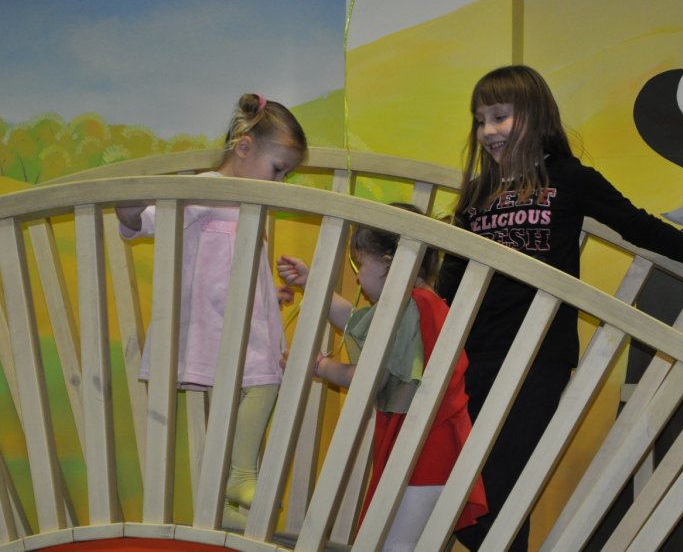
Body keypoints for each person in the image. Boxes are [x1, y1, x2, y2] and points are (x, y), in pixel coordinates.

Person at [435, 65, 683, 552]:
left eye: (500, 117)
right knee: (464, 486)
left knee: (502, 486)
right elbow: (451, 278)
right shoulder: (477, 193)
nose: (488, 131)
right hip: (475, 355)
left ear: (534, 116)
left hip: (538, 357)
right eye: (480, 121)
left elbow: (641, 226)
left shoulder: (568, 178)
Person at [116, 93, 307, 530]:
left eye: (287, 174)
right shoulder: (206, 189)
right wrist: (130, 206)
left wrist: (268, 293)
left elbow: (234, 266)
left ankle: (224, 501)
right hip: (212, 327)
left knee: (256, 389)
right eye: (278, 169)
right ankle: (240, 476)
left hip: (244, 325)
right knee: (264, 382)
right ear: (244, 148)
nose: (280, 183)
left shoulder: (251, 204)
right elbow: (144, 222)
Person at [277, 204, 488, 552]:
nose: (358, 278)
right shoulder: (424, 304)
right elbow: (358, 322)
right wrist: (312, 282)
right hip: (439, 454)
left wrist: (320, 367)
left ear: (391, 263)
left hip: (425, 458)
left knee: (394, 546)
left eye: (360, 266)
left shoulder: (410, 308)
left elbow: (372, 377)